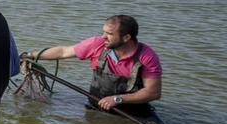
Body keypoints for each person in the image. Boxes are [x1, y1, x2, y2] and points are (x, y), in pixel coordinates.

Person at [22, 15, 162, 116]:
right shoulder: (97, 44)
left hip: (133, 113)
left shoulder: (147, 56)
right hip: (96, 108)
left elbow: (153, 92)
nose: (103, 37)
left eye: (109, 34)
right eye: (103, 32)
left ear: (126, 38)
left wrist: (117, 99)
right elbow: (64, 51)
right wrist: (32, 55)